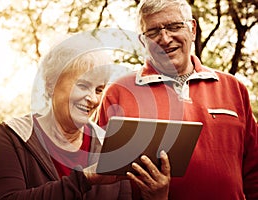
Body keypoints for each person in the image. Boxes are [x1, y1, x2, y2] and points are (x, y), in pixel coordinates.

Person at [98, 0, 258, 199]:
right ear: (143, 42)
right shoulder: (119, 93)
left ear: (192, 29)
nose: (165, 39)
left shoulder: (234, 88)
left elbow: (254, 173)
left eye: (174, 27)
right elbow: (102, 183)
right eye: (153, 32)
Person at [0, 37, 171, 200]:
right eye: (83, 85)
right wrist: (84, 179)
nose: (94, 99)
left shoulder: (110, 145)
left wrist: (157, 197)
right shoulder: (14, 135)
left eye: (99, 89)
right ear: (51, 85)